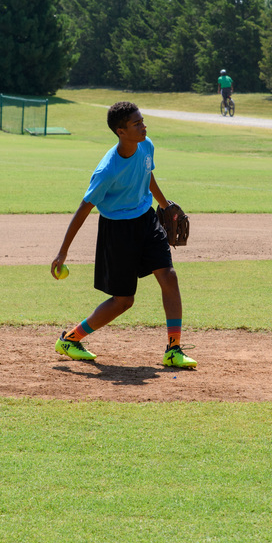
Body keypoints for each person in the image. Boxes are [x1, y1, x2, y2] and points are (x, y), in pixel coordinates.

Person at [51, 101, 196, 368]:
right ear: (121, 131)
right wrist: (63, 251)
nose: (144, 126)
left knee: (169, 276)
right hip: (117, 230)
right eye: (137, 123)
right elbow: (84, 208)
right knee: (124, 301)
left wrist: (164, 205)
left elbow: (147, 173)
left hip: (146, 219)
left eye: (142, 120)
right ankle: (70, 339)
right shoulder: (107, 170)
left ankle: (173, 349)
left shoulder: (146, 145)